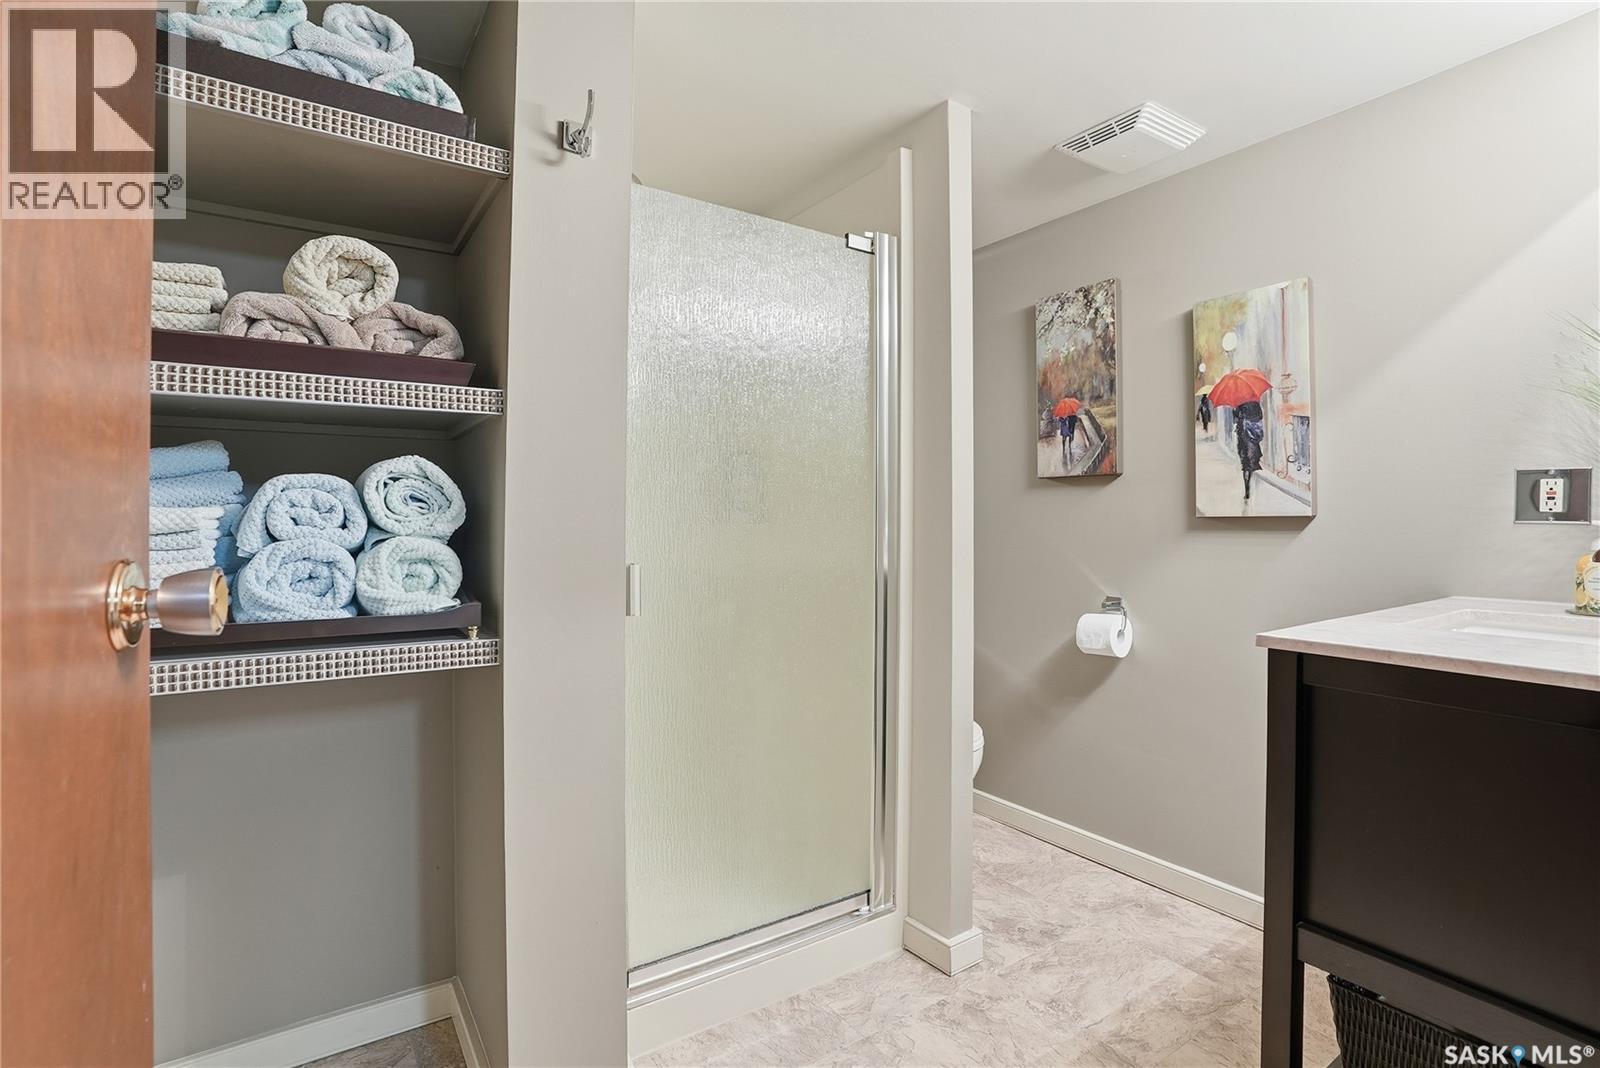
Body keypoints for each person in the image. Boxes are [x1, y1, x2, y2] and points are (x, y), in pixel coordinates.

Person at [1234, 399, 1265, 500]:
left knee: (1245, 464)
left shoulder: (1239, 404)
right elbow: (1260, 416)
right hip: (1253, 438)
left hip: (1243, 437)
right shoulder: (1256, 403)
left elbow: (1235, 418)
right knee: (1250, 462)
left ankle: (1247, 489)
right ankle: (1248, 484)